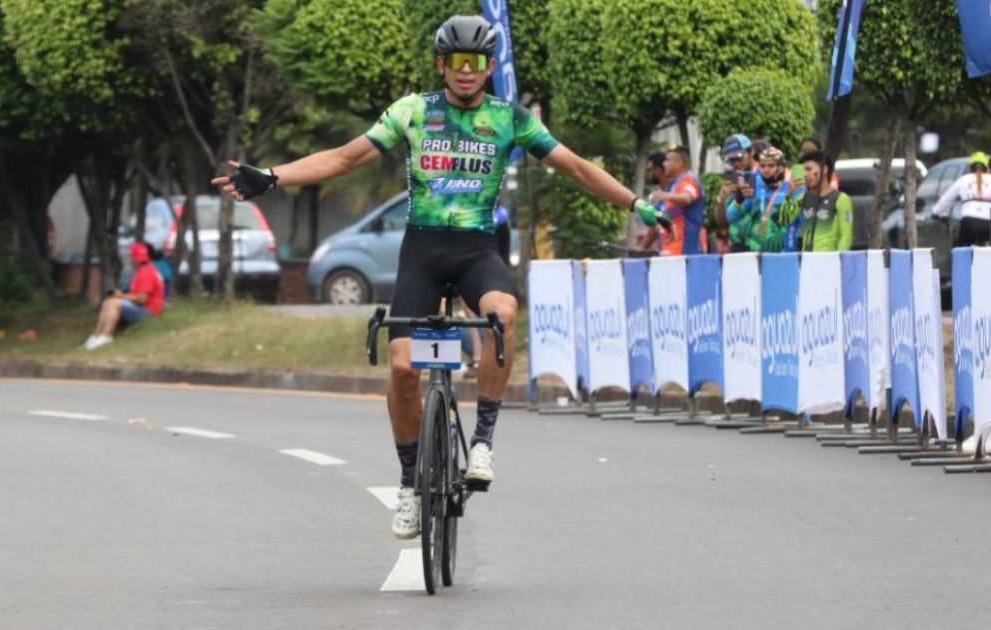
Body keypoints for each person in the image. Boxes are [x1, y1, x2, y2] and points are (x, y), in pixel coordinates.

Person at [211, 14, 672, 540]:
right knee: (403, 368)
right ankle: (410, 485)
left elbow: (578, 168)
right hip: (423, 252)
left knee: (502, 315)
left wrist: (636, 203)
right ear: (441, 64)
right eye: (457, 61)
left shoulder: (510, 118)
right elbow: (345, 158)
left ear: (489, 67)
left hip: (477, 250)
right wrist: (273, 177)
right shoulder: (413, 111)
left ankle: (483, 442)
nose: (466, 71)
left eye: (475, 62)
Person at [84, 242, 165, 350]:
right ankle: (97, 335)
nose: (129, 259)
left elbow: (142, 299)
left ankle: (105, 336)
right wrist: (120, 295)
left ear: (135, 258)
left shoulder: (146, 272)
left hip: (149, 313)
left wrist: (121, 296)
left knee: (114, 303)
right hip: (142, 309)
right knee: (109, 301)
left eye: (131, 256)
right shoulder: (142, 271)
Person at [775, 150, 853, 252]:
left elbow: (846, 237)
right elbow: (784, 220)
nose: (805, 174)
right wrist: (789, 194)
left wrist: (836, 259)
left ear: (824, 169)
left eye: (808, 169)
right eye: (803, 171)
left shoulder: (841, 199)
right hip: (807, 259)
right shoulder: (803, 197)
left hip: (829, 259)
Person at [725, 147, 795, 253]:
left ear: (781, 167)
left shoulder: (791, 187)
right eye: (762, 166)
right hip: (755, 254)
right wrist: (738, 200)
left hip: (783, 253)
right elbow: (731, 217)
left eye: (771, 165)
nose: (766, 170)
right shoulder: (756, 187)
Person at [648, 145, 705, 256]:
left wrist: (665, 196)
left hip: (685, 255)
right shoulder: (672, 187)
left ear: (679, 164)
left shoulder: (689, 181)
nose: (664, 164)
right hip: (668, 255)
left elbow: (687, 198)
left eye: (667, 160)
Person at [931, 152, 991, 247]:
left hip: (968, 223)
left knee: (962, 249)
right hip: (989, 224)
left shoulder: (963, 179)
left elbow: (946, 199)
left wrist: (936, 212)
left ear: (970, 168)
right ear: (986, 168)